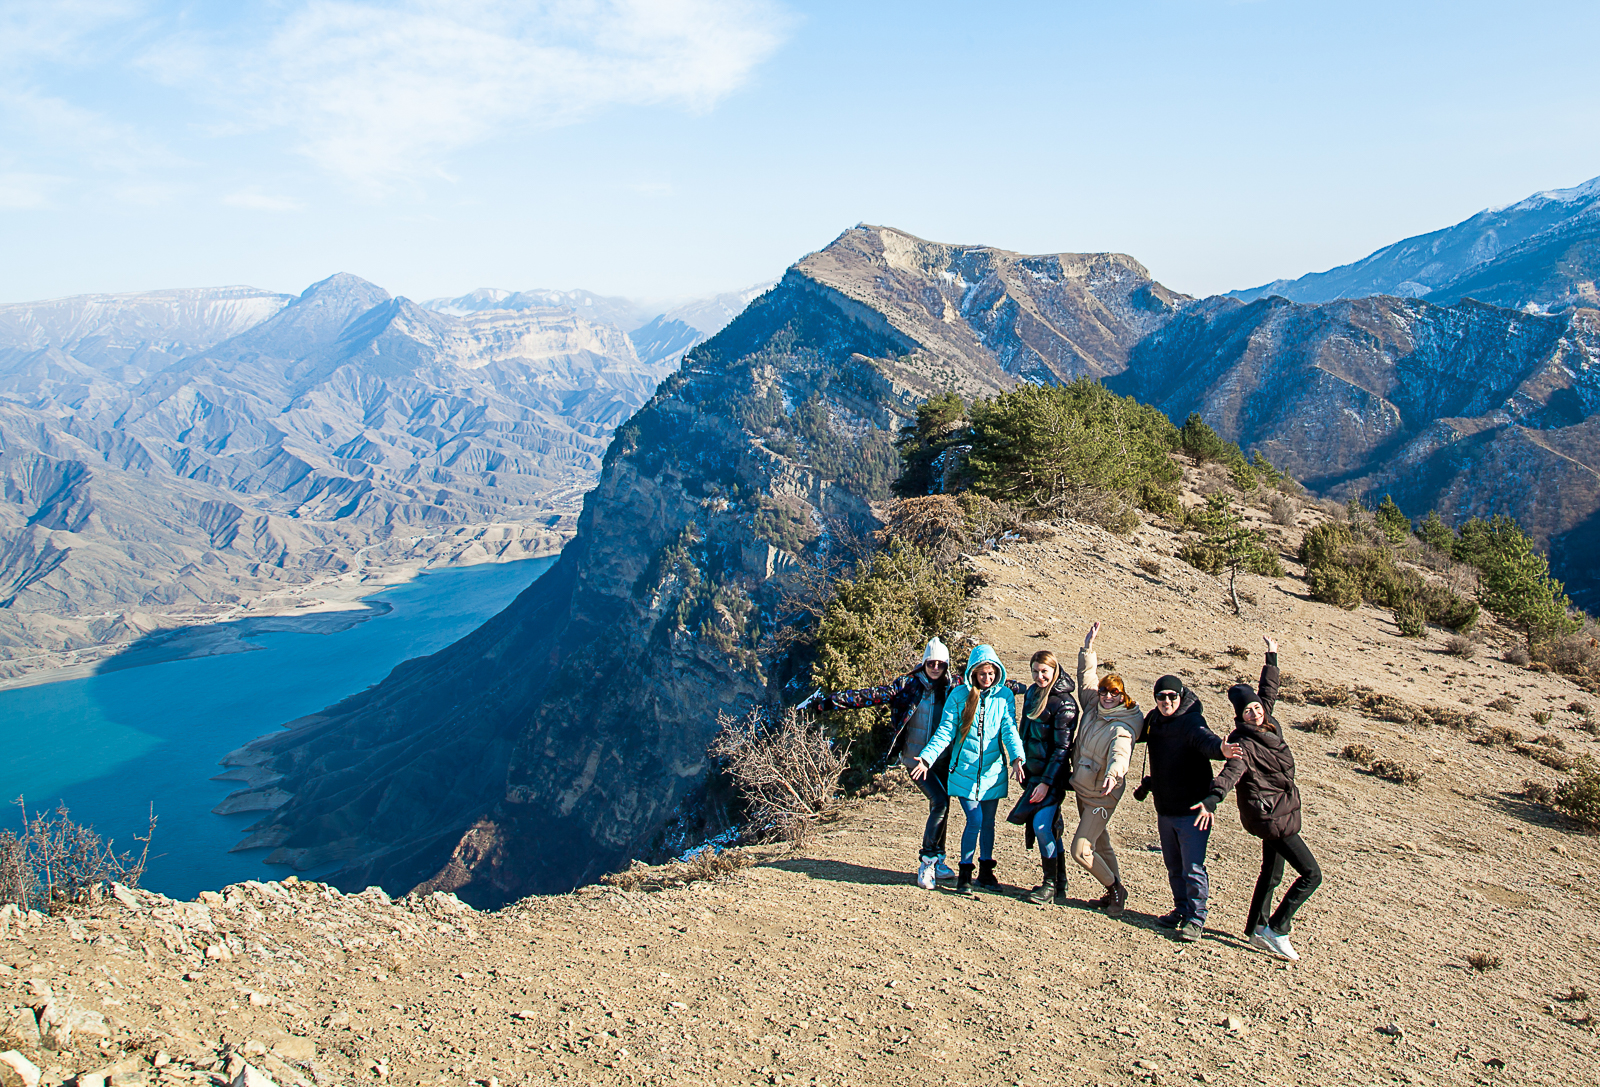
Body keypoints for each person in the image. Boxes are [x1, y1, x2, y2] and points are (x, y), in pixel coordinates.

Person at [1199, 636, 1324, 961]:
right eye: (1247, 711)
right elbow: (1231, 773)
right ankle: (1278, 929)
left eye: (1255, 708)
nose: (1254, 713)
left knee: (1272, 872)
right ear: (1240, 717)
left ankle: (1256, 928)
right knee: (1311, 874)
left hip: (1279, 810)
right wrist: (1214, 797)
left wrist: (1272, 657)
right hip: (1271, 815)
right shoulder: (1244, 743)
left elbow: (1267, 692)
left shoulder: (1269, 723)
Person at [818, 638, 956, 888]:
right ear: (923, 663)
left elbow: (987, 681)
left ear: (946, 665)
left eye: (940, 664)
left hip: (942, 758)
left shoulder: (952, 687)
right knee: (940, 802)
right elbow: (868, 696)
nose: (935, 668)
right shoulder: (907, 685)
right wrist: (829, 702)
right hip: (914, 759)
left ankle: (939, 859)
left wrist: (1029, 688)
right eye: (931, 663)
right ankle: (927, 862)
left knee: (943, 805)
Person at [1134, 675, 1242, 941]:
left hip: (1193, 810)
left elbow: (1205, 741)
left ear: (1181, 696)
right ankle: (1181, 910)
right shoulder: (1155, 720)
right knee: (1174, 865)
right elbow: (1134, 734)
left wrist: (1221, 749)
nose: (1167, 701)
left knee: (1192, 867)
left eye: (1172, 696)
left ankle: (1196, 918)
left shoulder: (1191, 721)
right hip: (1166, 807)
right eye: (1161, 697)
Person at [911, 644, 1024, 896]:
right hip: (964, 772)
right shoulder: (959, 696)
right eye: (982, 674)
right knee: (974, 820)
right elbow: (945, 731)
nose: (987, 679)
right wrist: (927, 758)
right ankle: (965, 873)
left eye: (992, 674)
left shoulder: (1004, 697)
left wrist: (1017, 757)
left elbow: (1009, 729)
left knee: (989, 824)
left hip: (992, 773)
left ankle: (985, 872)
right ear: (973, 672)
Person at [1069, 622, 1144, 917]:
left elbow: (1120, 754)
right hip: (1083, 788)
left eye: (1113, 693)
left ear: (1122, 695)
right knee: (1102, 844)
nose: (1107, 696)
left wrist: (1115, 775)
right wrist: (1088, 649)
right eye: (1104, 691)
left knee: (1081, 850)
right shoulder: (1093, 706)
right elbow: (1086, 679)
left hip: (1102, 795)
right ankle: (1114, 890)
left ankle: (1116, 890)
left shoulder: (1122, 726)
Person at [1005, 650, 1078, 905]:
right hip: (1034, 775)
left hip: (1052, 777)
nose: (1039, 676)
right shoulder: (1033, 694)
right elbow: (1023, 732)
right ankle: (1060, 884)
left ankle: (1049, 884)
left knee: (1042, 826)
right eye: (1035, 671)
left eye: (1044, 671)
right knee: (1051, 826)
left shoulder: (1065, 703)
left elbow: (1062, 748)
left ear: (1054, 670)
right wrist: (1019, 760)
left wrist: (1047, 783)